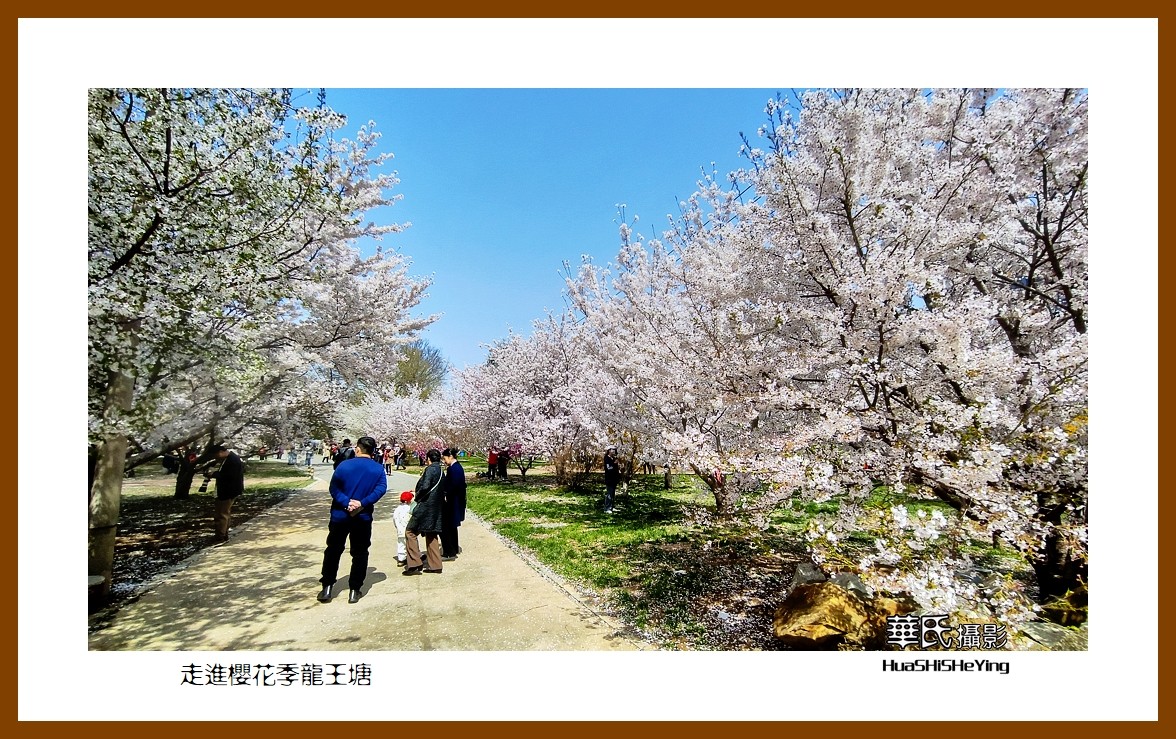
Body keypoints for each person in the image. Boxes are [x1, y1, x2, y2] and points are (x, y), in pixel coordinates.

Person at [318, 436, 387, 604]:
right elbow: (381, 489)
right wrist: (362, 503)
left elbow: (334, 487)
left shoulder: (344, 466)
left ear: (358, 449)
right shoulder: (378, 469)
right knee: (360, 552)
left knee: (333, 550)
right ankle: (354, 589)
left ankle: (327, 587)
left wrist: (346, 502)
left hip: (340, 515)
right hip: (362, 517)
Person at [403, 449, 444, 575]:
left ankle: (415, 563)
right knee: (431, 533)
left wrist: (417, 496)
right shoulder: (441, 470)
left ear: (428, 459)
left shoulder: (430, 469)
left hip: (425, 506)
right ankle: (436, 565)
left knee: (410, 532)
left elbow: (425, 486)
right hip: (435, 507)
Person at [206, 445, 245, 542]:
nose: (216, 458)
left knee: (221, 514)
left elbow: (228, 476)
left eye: (216, 455)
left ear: (220, 452)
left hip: (228, 491)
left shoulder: (232, 460)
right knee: (225, 513)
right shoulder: (230, 458)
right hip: (229, 490)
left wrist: (214, 474)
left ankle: (220, 536)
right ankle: (224, 534)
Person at [440, 448, 467, 561]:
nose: (444, 461)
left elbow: (454, 485)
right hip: (456, 500)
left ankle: (450, 551)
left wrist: (445, 492)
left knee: (449, 525)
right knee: (452, 526)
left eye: (445, 458)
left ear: (450, 457)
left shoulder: (454, 469)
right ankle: (454, 548)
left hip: (454, 501)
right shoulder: (456, 467)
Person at [392, 491, 414, 567]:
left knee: (401, 544)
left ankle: (401, 559)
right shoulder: (409, 509)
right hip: (408, 529)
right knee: (412, 544)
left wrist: (397, 527)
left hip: (400, 530)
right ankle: (417, 556)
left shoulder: (397, 509)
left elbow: (394, 519)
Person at [603, 444, 620, 514]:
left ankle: (611, 507)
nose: (614, 451)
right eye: (613, 450)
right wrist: (614, 464)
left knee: (613, 493)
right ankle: (607, 508)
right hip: (609, 479)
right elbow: (609, 468)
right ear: (609, 450)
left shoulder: (613, 458)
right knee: (609, 493)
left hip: (614, 479)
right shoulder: (607, 458)